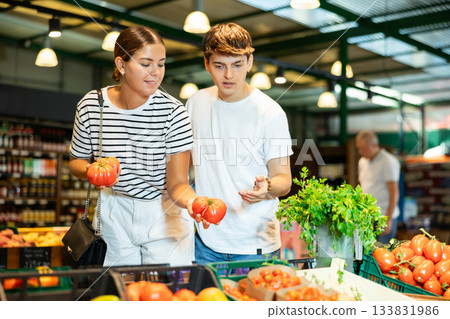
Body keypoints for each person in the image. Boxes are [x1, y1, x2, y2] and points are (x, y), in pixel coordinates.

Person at [69, 26, 198, 266]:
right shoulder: (91, 105)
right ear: (121, 65)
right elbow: (76, 161)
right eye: (146, 63)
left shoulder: (173, 112)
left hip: (163, 213)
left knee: (165, 293)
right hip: (113, 210)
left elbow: (178, 183)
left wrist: (193, 203)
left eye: (161, 64)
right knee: (120, 291)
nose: (155, 73)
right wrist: (91, 171)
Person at [186, 23, 293, 264]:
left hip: (256, 243)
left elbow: (283, 180)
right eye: (219, 66)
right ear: (207, 64)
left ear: (250, 62)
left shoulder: (271, 112)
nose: (228, 75)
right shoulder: (196, 103)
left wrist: (267, 186)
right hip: (206, 241)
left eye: (237, 65)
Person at [356, 130, 400, 243]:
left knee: (383, 254)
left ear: (374, 145)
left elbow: (394, 193)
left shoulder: (388, 162)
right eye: (358, 148)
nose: (360, 152)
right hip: (367, 217)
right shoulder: (362, 162)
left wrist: (388, 220)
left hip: (383, 216)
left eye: (363, 148)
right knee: (367, 253)